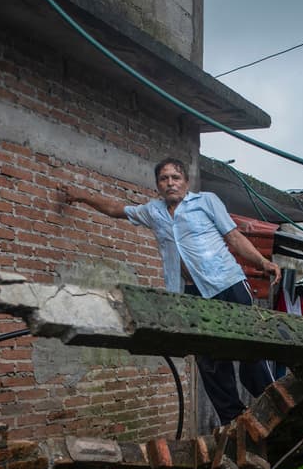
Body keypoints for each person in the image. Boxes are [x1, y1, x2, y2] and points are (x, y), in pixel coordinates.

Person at [63, 158, 280, 426]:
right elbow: (116, 209)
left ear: (186, 182)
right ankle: (233, 421)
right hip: (192, 294)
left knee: (251, 349)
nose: (170, 183)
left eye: (175, 177)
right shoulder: (153, 212)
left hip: (228, 284)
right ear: (157, 185)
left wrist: (262, 262)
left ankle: (278, 410)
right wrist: (82, 196)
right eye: (164, 179)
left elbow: (234, 237)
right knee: (208, 360)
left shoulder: (206, 202)